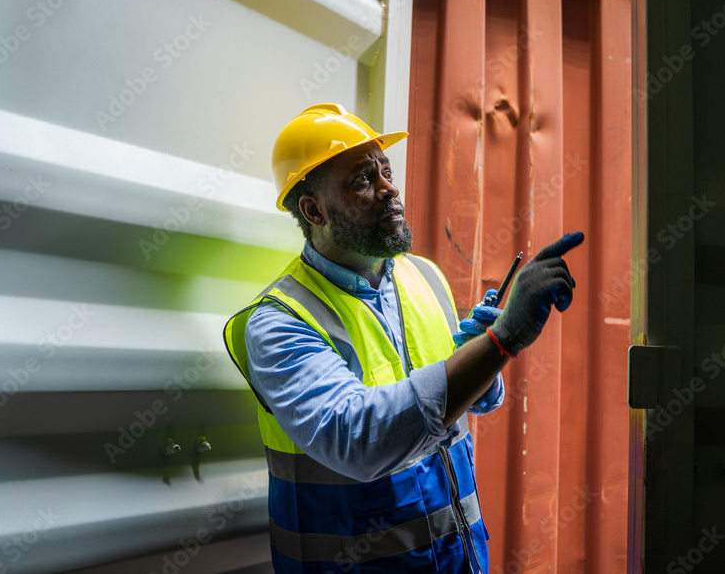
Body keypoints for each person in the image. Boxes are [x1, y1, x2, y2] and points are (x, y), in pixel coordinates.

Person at [223, 103, 583, 573]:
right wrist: (503, 340)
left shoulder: (422, 277)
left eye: (386, 170)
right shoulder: (277, 324)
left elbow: (472, 404)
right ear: (313, 210)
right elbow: (360, 442)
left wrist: (477, 352)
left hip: (460, 560)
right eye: (362, 179)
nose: (389, 188)